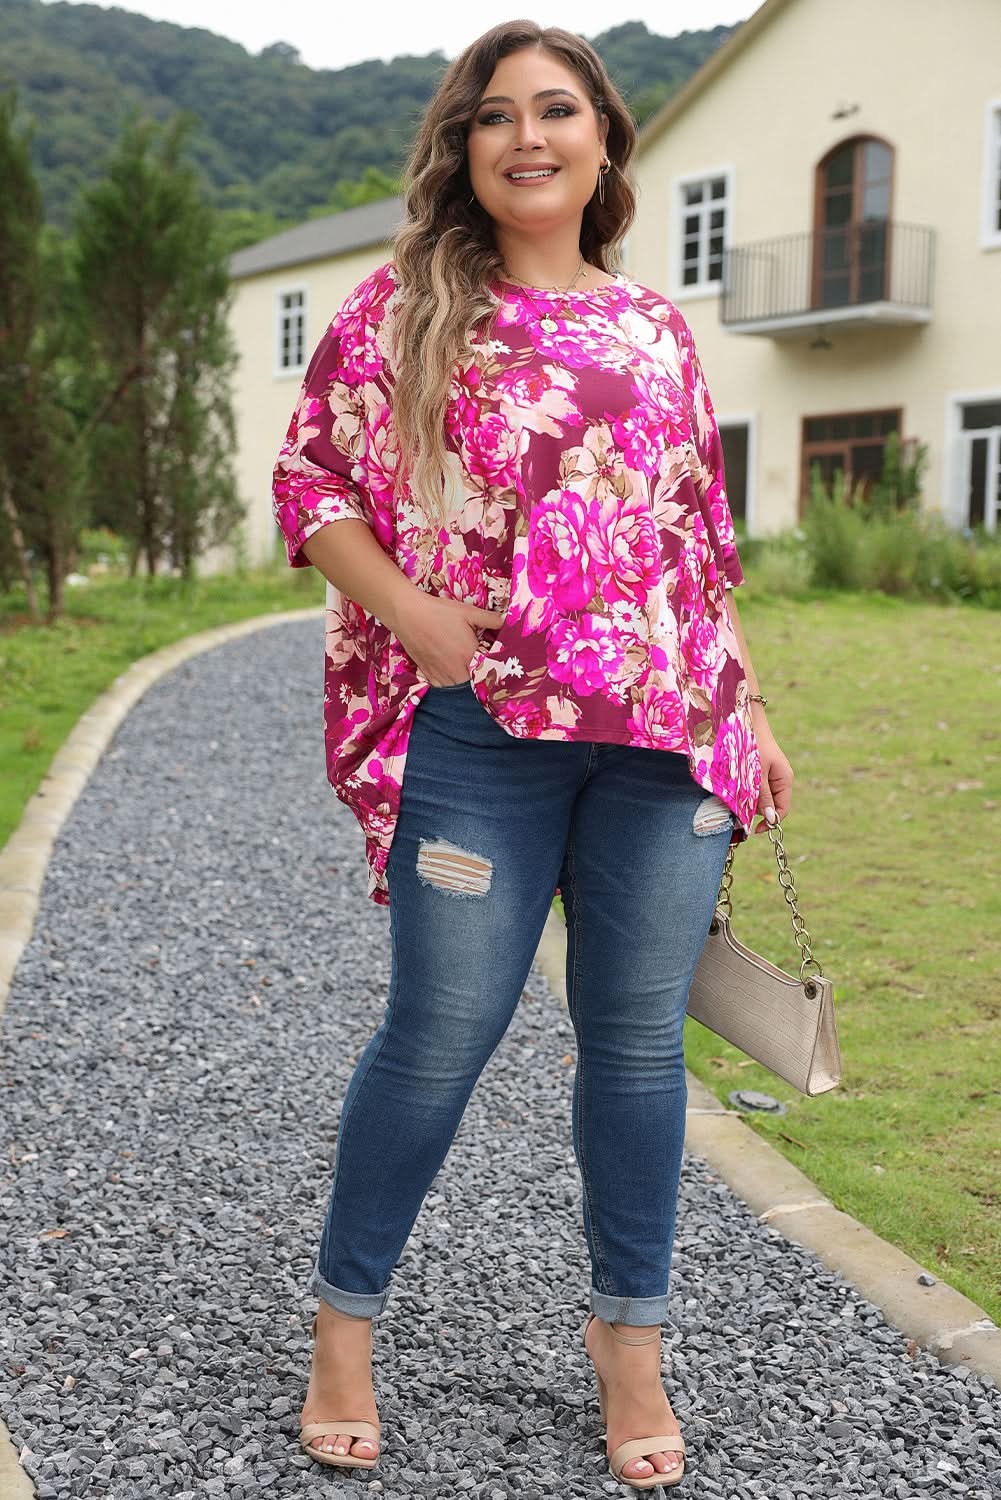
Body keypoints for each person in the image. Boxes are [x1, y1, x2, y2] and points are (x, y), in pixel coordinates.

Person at [273, 19, 793, 1490]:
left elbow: (697, 542)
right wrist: (416, 620)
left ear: (605, 140)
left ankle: (628, 1347)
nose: (526, 136)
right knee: (438, 1036)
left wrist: (743, 706)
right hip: (482, 740)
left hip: (661, 741)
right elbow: (307, 481)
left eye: (555, 110)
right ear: (464, 147)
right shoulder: (408, 306)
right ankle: (343, 1330)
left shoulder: (652, 329)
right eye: (494, 115)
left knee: (634, 1053)